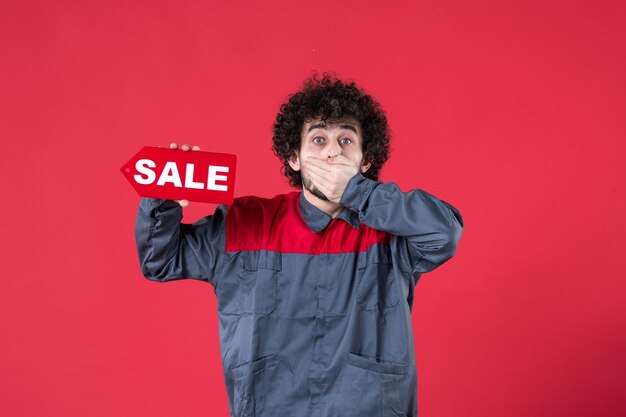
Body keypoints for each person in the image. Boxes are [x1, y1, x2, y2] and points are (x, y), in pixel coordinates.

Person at [134, 73, 464, 417]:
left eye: (346, 140)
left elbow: (445, 233)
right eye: (318, 140)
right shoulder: (245, 221)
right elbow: (161, 260)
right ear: (295, 158)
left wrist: (356, 192)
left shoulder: (393, 234)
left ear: (365, 161)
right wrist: (162, 200)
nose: (333, 152)